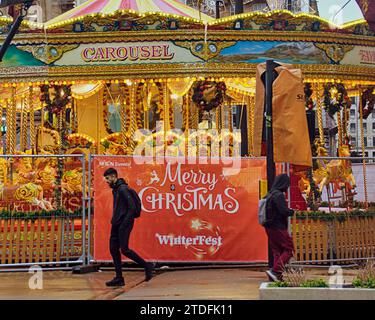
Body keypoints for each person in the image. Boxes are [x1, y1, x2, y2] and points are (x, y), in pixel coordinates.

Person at [104, 168, 154, 287]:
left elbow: (131, 207)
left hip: (123, 224)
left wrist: (125, 223)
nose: (106, 181)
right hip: (116, 223)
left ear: (113, 177)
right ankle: (119, 278)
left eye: (107, 178)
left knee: (124, 249)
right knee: (113, 248)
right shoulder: (116, 190)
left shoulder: (122, 189)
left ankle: (147, 266)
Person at [264, 173, 295, 281]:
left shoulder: (269, 194)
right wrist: (291, 211)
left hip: (269, 227)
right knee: (289, 249)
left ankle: (276, 276)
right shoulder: (279, 195)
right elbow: (283, 211)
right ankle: (275, 271)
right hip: (279, 227)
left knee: (277, 251)